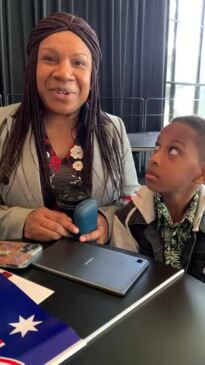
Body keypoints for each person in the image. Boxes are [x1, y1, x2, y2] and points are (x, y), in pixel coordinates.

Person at [0, 12, 139, 243]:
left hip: (95, 270)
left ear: (92, 75)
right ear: (32, 67)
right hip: (21, 276)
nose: (64, 73)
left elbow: (132, 201)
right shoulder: (3, 125)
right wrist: (21, 222)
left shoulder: (113, 129)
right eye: (50, 59)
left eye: (79, 63)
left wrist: (106, 221)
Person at [111, 115, 205, 282]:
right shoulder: (128, 219)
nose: (154, 158)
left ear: (202, 174)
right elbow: (121, 279)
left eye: (173, 151)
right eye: (157, 147)